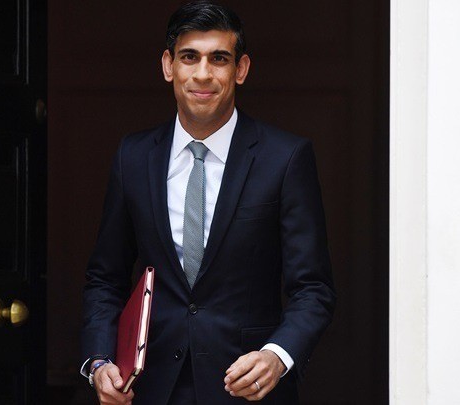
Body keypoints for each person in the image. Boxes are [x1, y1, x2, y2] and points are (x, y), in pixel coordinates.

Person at [80, 2, 335, 404]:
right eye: (189, 57)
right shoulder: (133, 156)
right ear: (168, 66)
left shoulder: (285, 159)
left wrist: (277, 355)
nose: (203, 73)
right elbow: (105, 279)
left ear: (241, 69)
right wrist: (99, 361)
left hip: (246, 388)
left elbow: (313, 288)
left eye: (219, 58)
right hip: (152, 388)